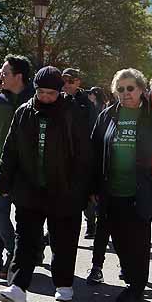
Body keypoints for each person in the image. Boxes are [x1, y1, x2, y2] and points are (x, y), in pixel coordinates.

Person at [0, 66, 91, 302]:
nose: (46, 97)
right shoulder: (23, 112)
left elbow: (84, 154)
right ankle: (18, 287)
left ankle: (64, 284)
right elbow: (10, 149)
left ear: (60, 91)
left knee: (63, 241)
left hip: (65, 190)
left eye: (51, 93)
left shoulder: (72, 113)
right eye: (41, 92)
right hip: (29, 189)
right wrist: (4, 182)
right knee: (25, 241)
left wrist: (85, 189)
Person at [88, 68, 152, 302]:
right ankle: (130, 281)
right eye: (120, 89)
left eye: (131, 88)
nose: (126, 93)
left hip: (141, 189)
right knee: (119, 241)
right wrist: (93, 186)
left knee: (139, 243)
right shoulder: (107, 115)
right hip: (112, 190)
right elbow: (95, 150)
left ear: (141, 89)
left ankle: (137, 288)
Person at [0, 55, 33, 275]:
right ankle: (13, 250)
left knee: (26, 218)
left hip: (28, 171)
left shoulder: (35, 98)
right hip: (2, 169)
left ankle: (23, 256)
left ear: (18, 76)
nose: (1, 75)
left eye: (5, 72)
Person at [62, 67, 100, 239]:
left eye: (70, 81)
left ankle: (91, 223)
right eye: (64, 81)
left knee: (85, 193)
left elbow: (93, 129)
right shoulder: (59, 100)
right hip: (63, 155)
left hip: (82, 155)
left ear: (78, 82)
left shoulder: (86, 103)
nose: (66, 84)